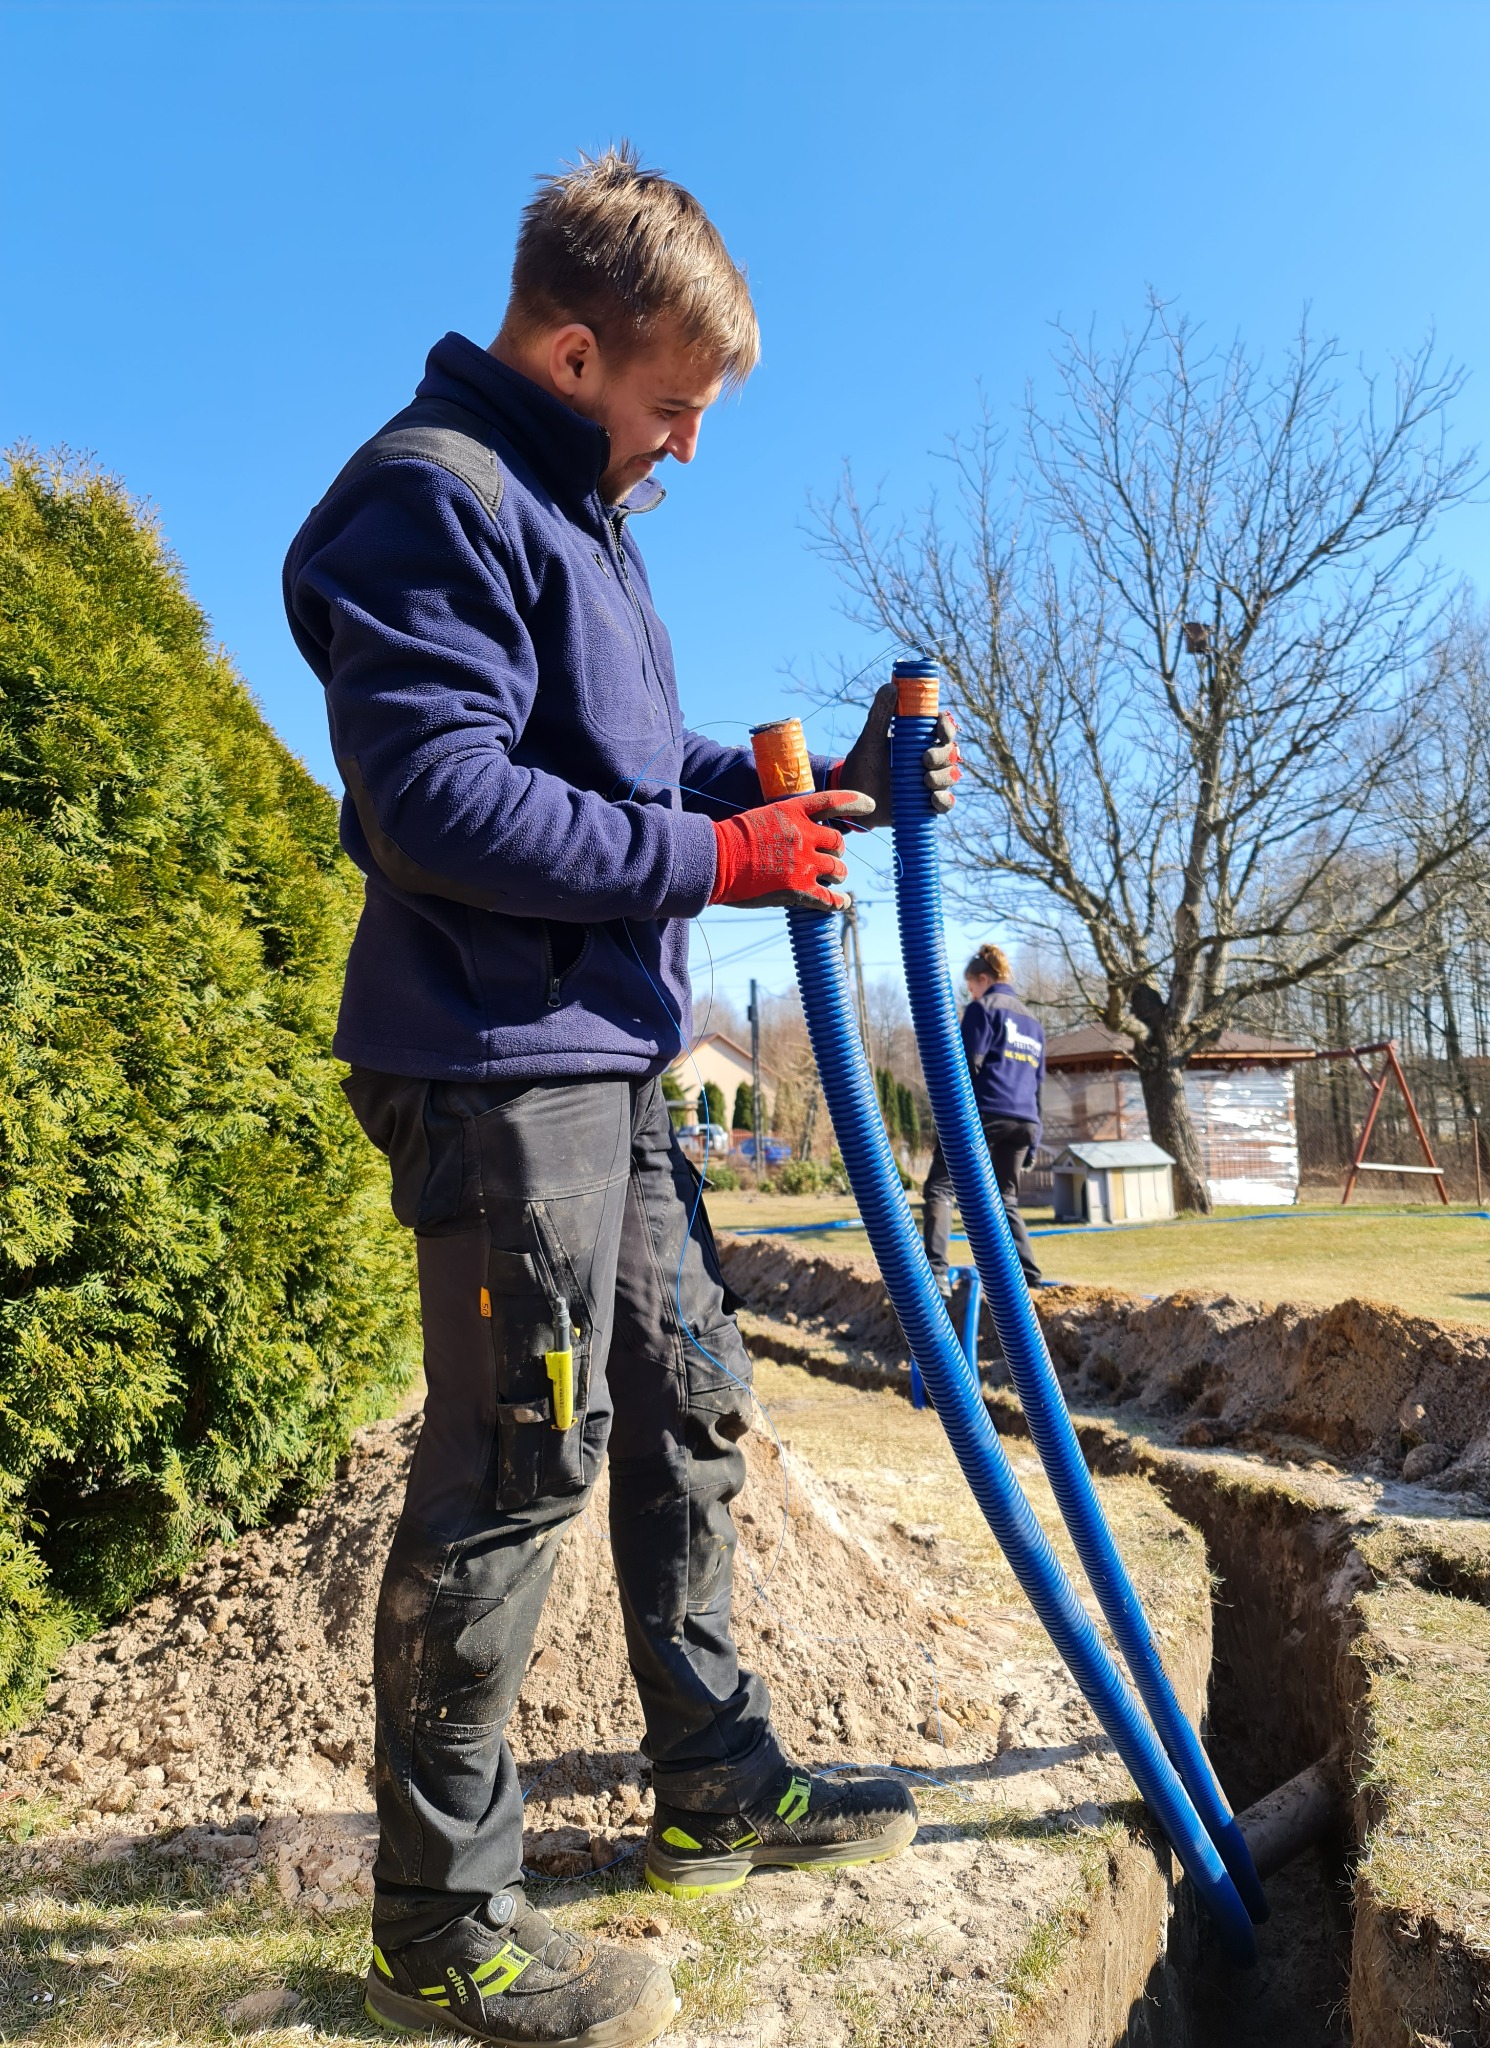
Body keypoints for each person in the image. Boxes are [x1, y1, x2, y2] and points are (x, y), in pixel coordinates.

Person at [282, 146, 960, 2048]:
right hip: (502, 1071)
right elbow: (441, 800)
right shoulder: (433, 498)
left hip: (611, 1054)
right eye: (673, 405)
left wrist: (818, 790)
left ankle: (716, 1777)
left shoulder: (580, 517)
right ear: (574, 354)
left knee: (687, 1402)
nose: (686, 445)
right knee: (518, 1465)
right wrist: (723, 864)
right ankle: (443, 1923)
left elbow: (633, 766)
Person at [922, 945, 1046, 1293]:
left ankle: (936, 1273)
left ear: (983, 979)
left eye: (971, 987)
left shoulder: (983, 1009)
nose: (971, 994)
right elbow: (1038, 1084)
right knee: (1005, 1198)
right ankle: (1030, 1279)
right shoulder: (1033, 1023)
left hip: (987, 1111)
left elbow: (966, 1066)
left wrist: (949, 1122)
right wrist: (1034, 1143)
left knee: (941, 1187)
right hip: (1025, 1121)